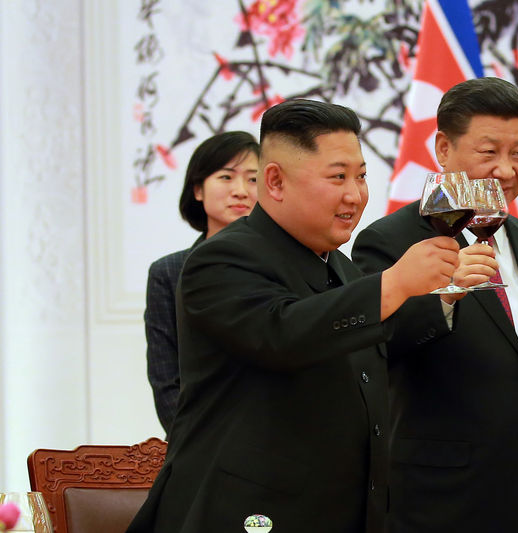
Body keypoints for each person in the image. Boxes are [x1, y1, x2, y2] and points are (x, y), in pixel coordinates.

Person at [126, 99, 459, 533]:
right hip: (246, 514)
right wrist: (394, 283)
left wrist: (447, 295)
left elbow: (370, 346)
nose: (355, 195)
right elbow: (282, 333)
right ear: (276, 182)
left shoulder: (339, 265)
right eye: (337, 177)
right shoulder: (220, 260)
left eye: (360, 176)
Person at [352, 77, 518, 533]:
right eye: (488, 153)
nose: (506, 171)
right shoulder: (389, 241)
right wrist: (446, 295)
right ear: (443, 149)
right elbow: (375, 350)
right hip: (441, 500)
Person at [145, 131, 259, 435]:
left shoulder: (287, 266)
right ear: (198, 189)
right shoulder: (169, 272)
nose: (241, 191)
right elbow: (166, 379)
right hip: (199, 448)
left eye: (253, 179)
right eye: (226, 177)